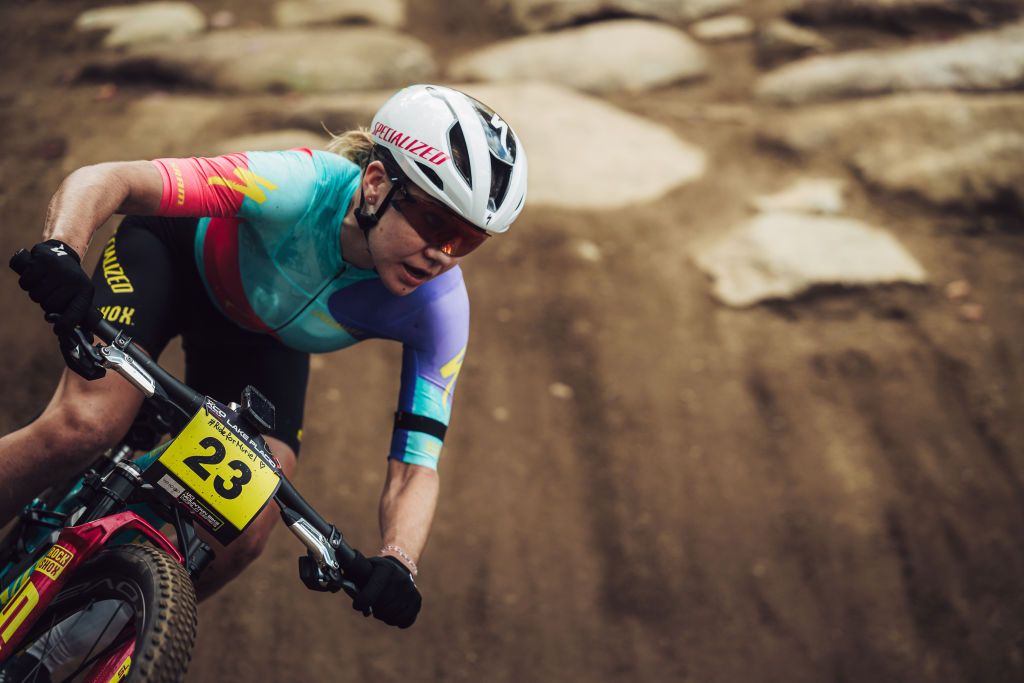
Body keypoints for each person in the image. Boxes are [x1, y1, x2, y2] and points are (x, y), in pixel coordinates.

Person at [3, 84, 528, 629]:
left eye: (465, 242)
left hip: (261, 340)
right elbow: (107, 178)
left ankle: (71, 638)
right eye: (436, 226)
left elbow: (415, 467)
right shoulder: (300, 184)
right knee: (86, 424)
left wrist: (399, 559)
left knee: (250, 519)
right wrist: (62, 248)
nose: (441, 256)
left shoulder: (439, 306)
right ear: (376, 185)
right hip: (172, 259)